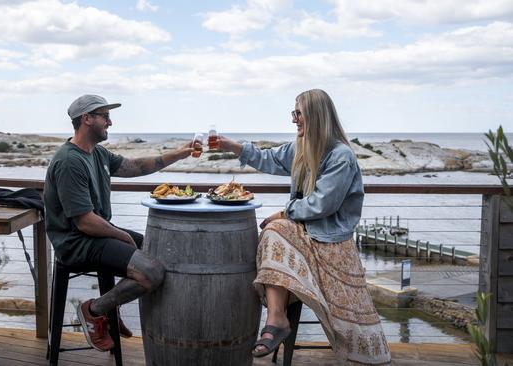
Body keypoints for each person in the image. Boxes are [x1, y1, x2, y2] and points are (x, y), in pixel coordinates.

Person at [218, 89, 391, 364]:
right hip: (308, 234)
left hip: (330, 241)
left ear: (315, 116)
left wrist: (283, 212)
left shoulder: (341, 156)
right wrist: (232, 146)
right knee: (274, 232)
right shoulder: (302, 148)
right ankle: (276, 319)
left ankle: (276, 321)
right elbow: (270, 159)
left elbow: (323, 204)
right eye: (294, 113)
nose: (294, 120)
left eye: (298, 113)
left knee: (274, 230)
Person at [44, 94, 195, 352]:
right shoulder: (70, 161)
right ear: (87, 119)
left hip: (95, 234)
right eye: (105, 116)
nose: (110, 122)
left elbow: (135, 166)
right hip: (77, 242)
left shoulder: (97, 153)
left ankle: (109, 309)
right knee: (151, 271)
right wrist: (120, 235)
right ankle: (93, 310)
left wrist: (178, 155)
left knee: (156, 249)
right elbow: (84, 222)